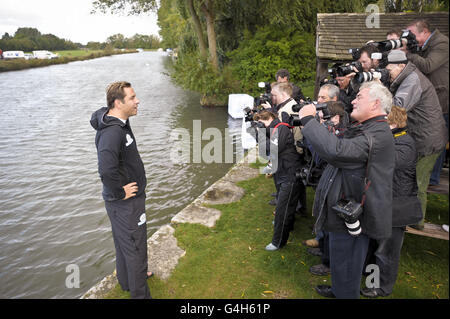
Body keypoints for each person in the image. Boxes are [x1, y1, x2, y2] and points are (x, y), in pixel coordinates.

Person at [299, 81, 395, 299]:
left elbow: (337, 151)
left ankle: (345, 293)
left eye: (359, 97)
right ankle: (338, 289)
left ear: (376, 104)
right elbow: (338, 145)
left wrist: (307, 120)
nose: (352, 100)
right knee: (341, 259)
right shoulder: (368, 128)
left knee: (348, 263)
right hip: (345, 207)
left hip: (354, 214)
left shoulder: (376, 135)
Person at [90, 81, 151, 299]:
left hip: (123, 203)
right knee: (136, 248)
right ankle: (140, 293)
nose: (138, 101)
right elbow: (106, 170)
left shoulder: (119, 122)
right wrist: (119, 192)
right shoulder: (112, 132)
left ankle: (127, 281)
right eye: (132, 98)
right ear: (118, 102)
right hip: (125, 202)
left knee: (124, 243)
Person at [361, 106, 422, 298]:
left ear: (392, 122)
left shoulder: (405, 143)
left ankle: (381, 287)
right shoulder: (394, 139)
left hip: (396, 206)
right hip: (384, 202)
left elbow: (387, 162)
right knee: (374, 244)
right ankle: (370, 278)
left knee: (386, 251)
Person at [385, 49, 447, 230]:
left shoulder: (412, 81)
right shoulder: (408, 76)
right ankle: (408, 217)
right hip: (423, 137)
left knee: (418, 181)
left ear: (400, 66)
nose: (388, 73)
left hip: (428, 140)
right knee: (413, 179)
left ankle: (416, 222)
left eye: (389, 70)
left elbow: (397, 110)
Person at [404, 19, 449, 187]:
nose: (410, 39)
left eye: (412, 35)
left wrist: (407, 54)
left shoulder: (442, 43)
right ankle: (427, 175)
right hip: (434, 100)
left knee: (438, 140)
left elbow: (428, 66)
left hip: (443, 101)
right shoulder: (424, 46)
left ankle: (432, 178)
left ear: (424, 32)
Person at [254, 110, 301, 251]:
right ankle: (289, 225)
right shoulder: (275, 129)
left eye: (261, 123)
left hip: (289, 174)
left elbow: (271, 149)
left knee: (282, 210)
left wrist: (260, 133)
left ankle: (278, 242)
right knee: (287, 206)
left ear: (268, 118)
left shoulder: (281, 128)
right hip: (282, 172)